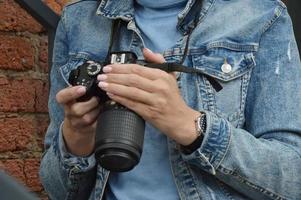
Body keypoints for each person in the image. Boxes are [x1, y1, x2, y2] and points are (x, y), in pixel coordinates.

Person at [39, 0, 301, 199]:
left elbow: (292, 178)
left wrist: (191, 127)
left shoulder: (261, 15)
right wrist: (76, 138)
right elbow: (58, 190)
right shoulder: (80, 20)